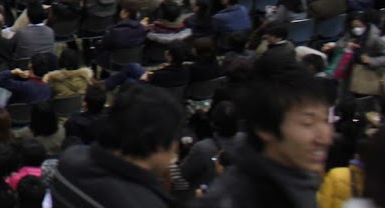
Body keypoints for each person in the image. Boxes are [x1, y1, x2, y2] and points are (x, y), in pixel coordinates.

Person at [200, 68, 333, 207]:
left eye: (325, 120)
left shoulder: (302, 183)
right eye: (307, 123)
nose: (325, 139)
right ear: (265, 128)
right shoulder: (232, 199)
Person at [51, 84, 186, 207]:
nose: (174, 156)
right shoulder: (149, 203)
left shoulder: (68, 161)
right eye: (174, 146)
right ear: (158, 145)